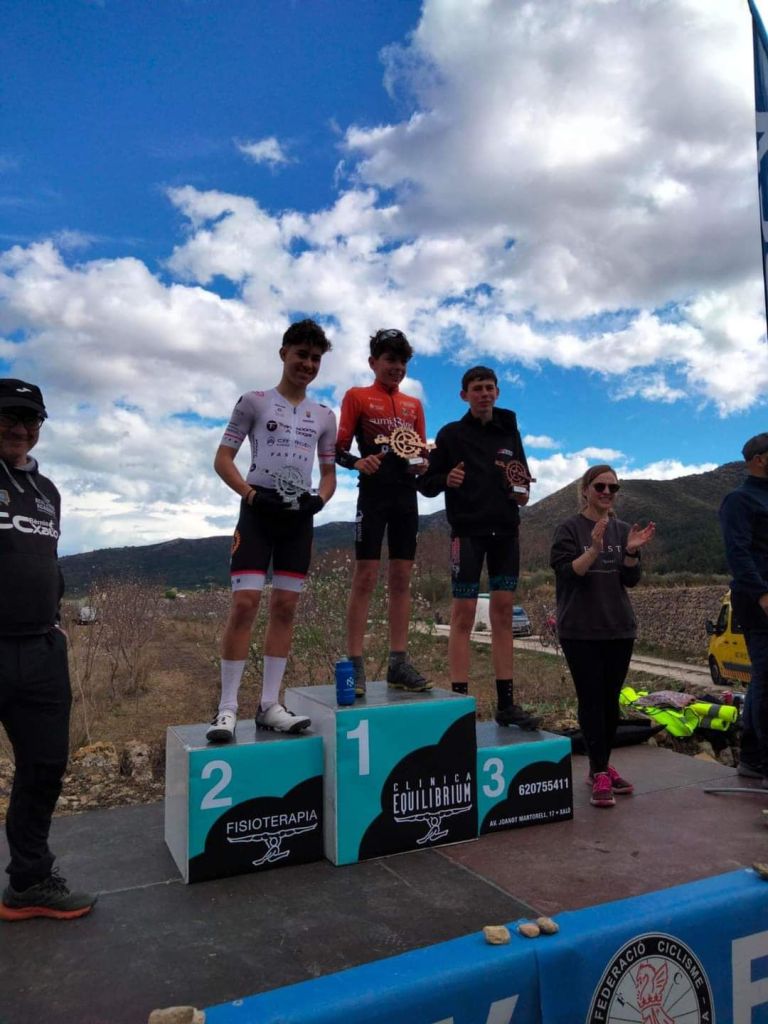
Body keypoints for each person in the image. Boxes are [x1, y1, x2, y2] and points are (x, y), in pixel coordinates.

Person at [207, 320, 337, 743]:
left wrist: (320, 500)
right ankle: (227, 707)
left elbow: (329, 474)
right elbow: (223, 458)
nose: (308, 364)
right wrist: (248, 494)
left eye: (315, 358)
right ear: (284, 353)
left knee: (284, 608)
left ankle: (268, 705)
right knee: (245, 604)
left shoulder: (324, 415)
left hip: (299, 516)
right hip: (258, 510)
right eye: (301, 355)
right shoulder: (254, 401)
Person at [0, 379, 97, 921]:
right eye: (8, 417)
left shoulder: (47, 491)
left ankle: (30, 882)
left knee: (44, 768)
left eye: (30, 419)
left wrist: (55, 623)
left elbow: (43, 563)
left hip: (40, 650)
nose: (20, 428)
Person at [419, 366, 537, 727]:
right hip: (467, 533)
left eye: (489, 388)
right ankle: (459, 706)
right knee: (463, 615)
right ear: (464, 395)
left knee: (503, 613)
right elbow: (425, 483)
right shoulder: (450, 434)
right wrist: (446, 478)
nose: (484, 394)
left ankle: (507, 706)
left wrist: (522, 493)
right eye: (477, 388)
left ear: (497, 392)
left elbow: (522, 480)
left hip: (506, 532)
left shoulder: (510, 430)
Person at [550, 464, 655, 808]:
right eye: (600, 486)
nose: (607, 492)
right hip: (580, 630)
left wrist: (631, 552)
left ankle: (600, 766)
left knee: (610, 703)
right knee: (591, 700)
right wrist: (594, 549)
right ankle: (599, 771)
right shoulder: (569, 529)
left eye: (613, 487)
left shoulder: (623, 529)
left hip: (619, 628)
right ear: (585, 490)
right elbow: (567, 574)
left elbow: (630, 580)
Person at [335, 328, 429, 696]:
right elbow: (338, 448)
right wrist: (358, 463)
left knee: (402, 578)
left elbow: (420, 452)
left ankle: (398, 663)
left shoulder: (413, 405)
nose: (397, 367)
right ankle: (355, 664)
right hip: (372, 496)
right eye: (390, 359)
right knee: (366, 576)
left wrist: (423, 464)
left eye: (403, 361)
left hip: (406, 497)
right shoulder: (356, 396)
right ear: (373, 362)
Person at [718, 433, 768, 783]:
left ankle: (751, 758)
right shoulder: (739, 499)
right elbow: (737, 552)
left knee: (762, 680)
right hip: (757, 600)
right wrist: (763, 594)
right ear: (759, 459)